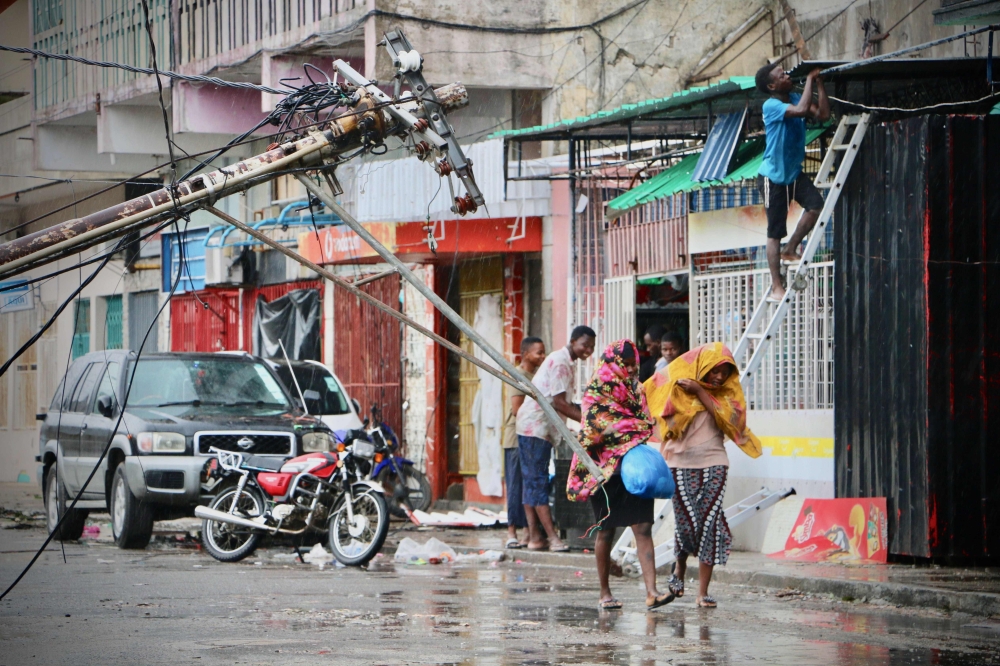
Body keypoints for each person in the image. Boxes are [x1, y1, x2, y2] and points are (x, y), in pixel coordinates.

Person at [643, 342, 762, 608]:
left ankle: (703, 592)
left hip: (715, 463)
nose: (719, 376)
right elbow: (650, 398)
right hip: (677, 462)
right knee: (687, 523)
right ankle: (680, 569)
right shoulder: (678, 383)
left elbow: (730, 422)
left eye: (725, 371)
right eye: (714, 370)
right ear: (702, 367)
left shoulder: (727, 394)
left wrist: (701, 391)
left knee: (709, 523)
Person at [566, 339, 674, 611]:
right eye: (623, 365)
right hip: (603, 472)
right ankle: (604, 592)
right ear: (611, 363)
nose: (628, 370)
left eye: (631, 365)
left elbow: (646, 423)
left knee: (642, 526)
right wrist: (625, 429)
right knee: (606, 530)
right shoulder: (596, 389)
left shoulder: (636, 388)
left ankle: (652, 592)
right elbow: (592, 430)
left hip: (634, 469)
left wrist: (628, 430)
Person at [516, 325, 596, 551]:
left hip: (539, 428)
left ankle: (533, 536)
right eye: (584, 345)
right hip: (536, 427)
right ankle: (551, 538)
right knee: (537, 482)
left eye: (591, 347)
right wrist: (588, 423)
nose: (588, 350)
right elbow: (560, 403)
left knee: (532, 482)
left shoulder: (564, 361)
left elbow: (564, 403)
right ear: (573, 341)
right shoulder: (560, 362)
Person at [755, 63, 831, 301]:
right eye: (782, 75)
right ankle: (777, 285)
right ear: (772, 85)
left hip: (793, 173)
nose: (787, 76)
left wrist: (819, 84)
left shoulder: (798, 97)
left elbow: (823, 115)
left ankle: (791, 249)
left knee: (816, 206)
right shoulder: (771, 105)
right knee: (775, 232)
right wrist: (809, 78)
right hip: (773, 177)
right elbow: (799, 110)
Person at [501, 336, 546, 549]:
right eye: (539, 352)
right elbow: (517, 410)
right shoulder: (518, 376)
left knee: (529, 485)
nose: (542, 356)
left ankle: (529, 531)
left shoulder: (536, 376)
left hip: (531, 436)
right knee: (515, 485)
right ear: (525, 354)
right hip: (515, 438)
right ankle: (512, 531)